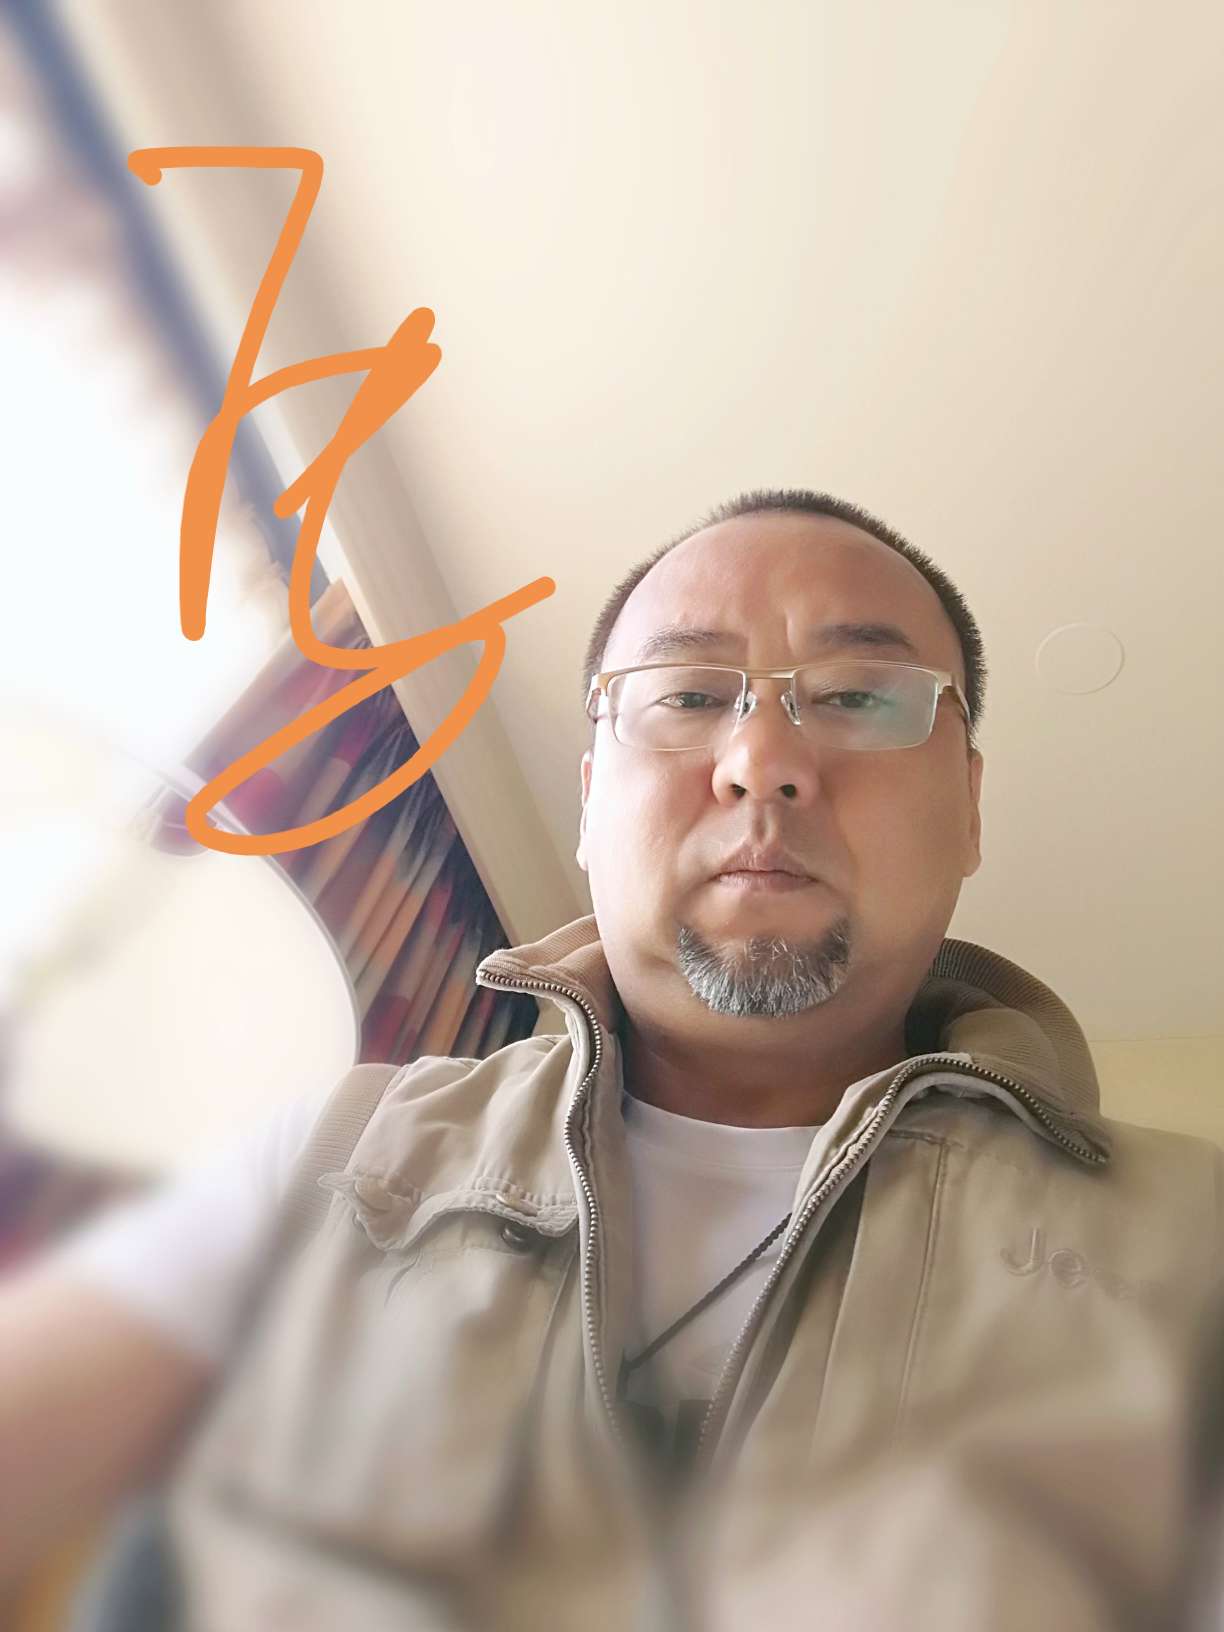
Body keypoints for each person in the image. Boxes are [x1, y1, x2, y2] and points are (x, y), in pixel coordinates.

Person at [1, 488, 1220, 1631]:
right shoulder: (336, 1152)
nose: (762, 759)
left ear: (969, 805)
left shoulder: (1193, 1244)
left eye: (859, 695)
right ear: (590, 804)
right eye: (686, 696)